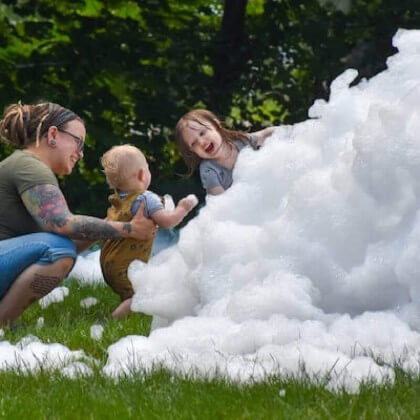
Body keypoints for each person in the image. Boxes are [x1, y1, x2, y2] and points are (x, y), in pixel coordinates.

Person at [0, 101, 156, 326]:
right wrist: (128, 228)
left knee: (59, 247)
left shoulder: (24, 166)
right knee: (57, 250)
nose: (80, 154)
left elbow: (64, 236)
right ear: (53, 134)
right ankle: (3, 323)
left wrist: (109, 225)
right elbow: (62, 223)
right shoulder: (29, 166)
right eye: (78, 142)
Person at [100, 144, 198, 319]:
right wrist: (183, 208)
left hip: (109, 266)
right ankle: (113, 320)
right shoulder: (147, 198)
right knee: (140, 293)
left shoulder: (117, 200)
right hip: (126, 267)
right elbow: (167, 222)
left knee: (129, 292)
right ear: (141, 174)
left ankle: (126, 309)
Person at [175, 109, 277, 195]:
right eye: (194, 143)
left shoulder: (241, 142)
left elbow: (265, 134)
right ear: (192, 150)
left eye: (202, 133)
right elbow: (220, 203)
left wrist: (290, 131)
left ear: (216, 124)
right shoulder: (208, 170)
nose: (201, 142)